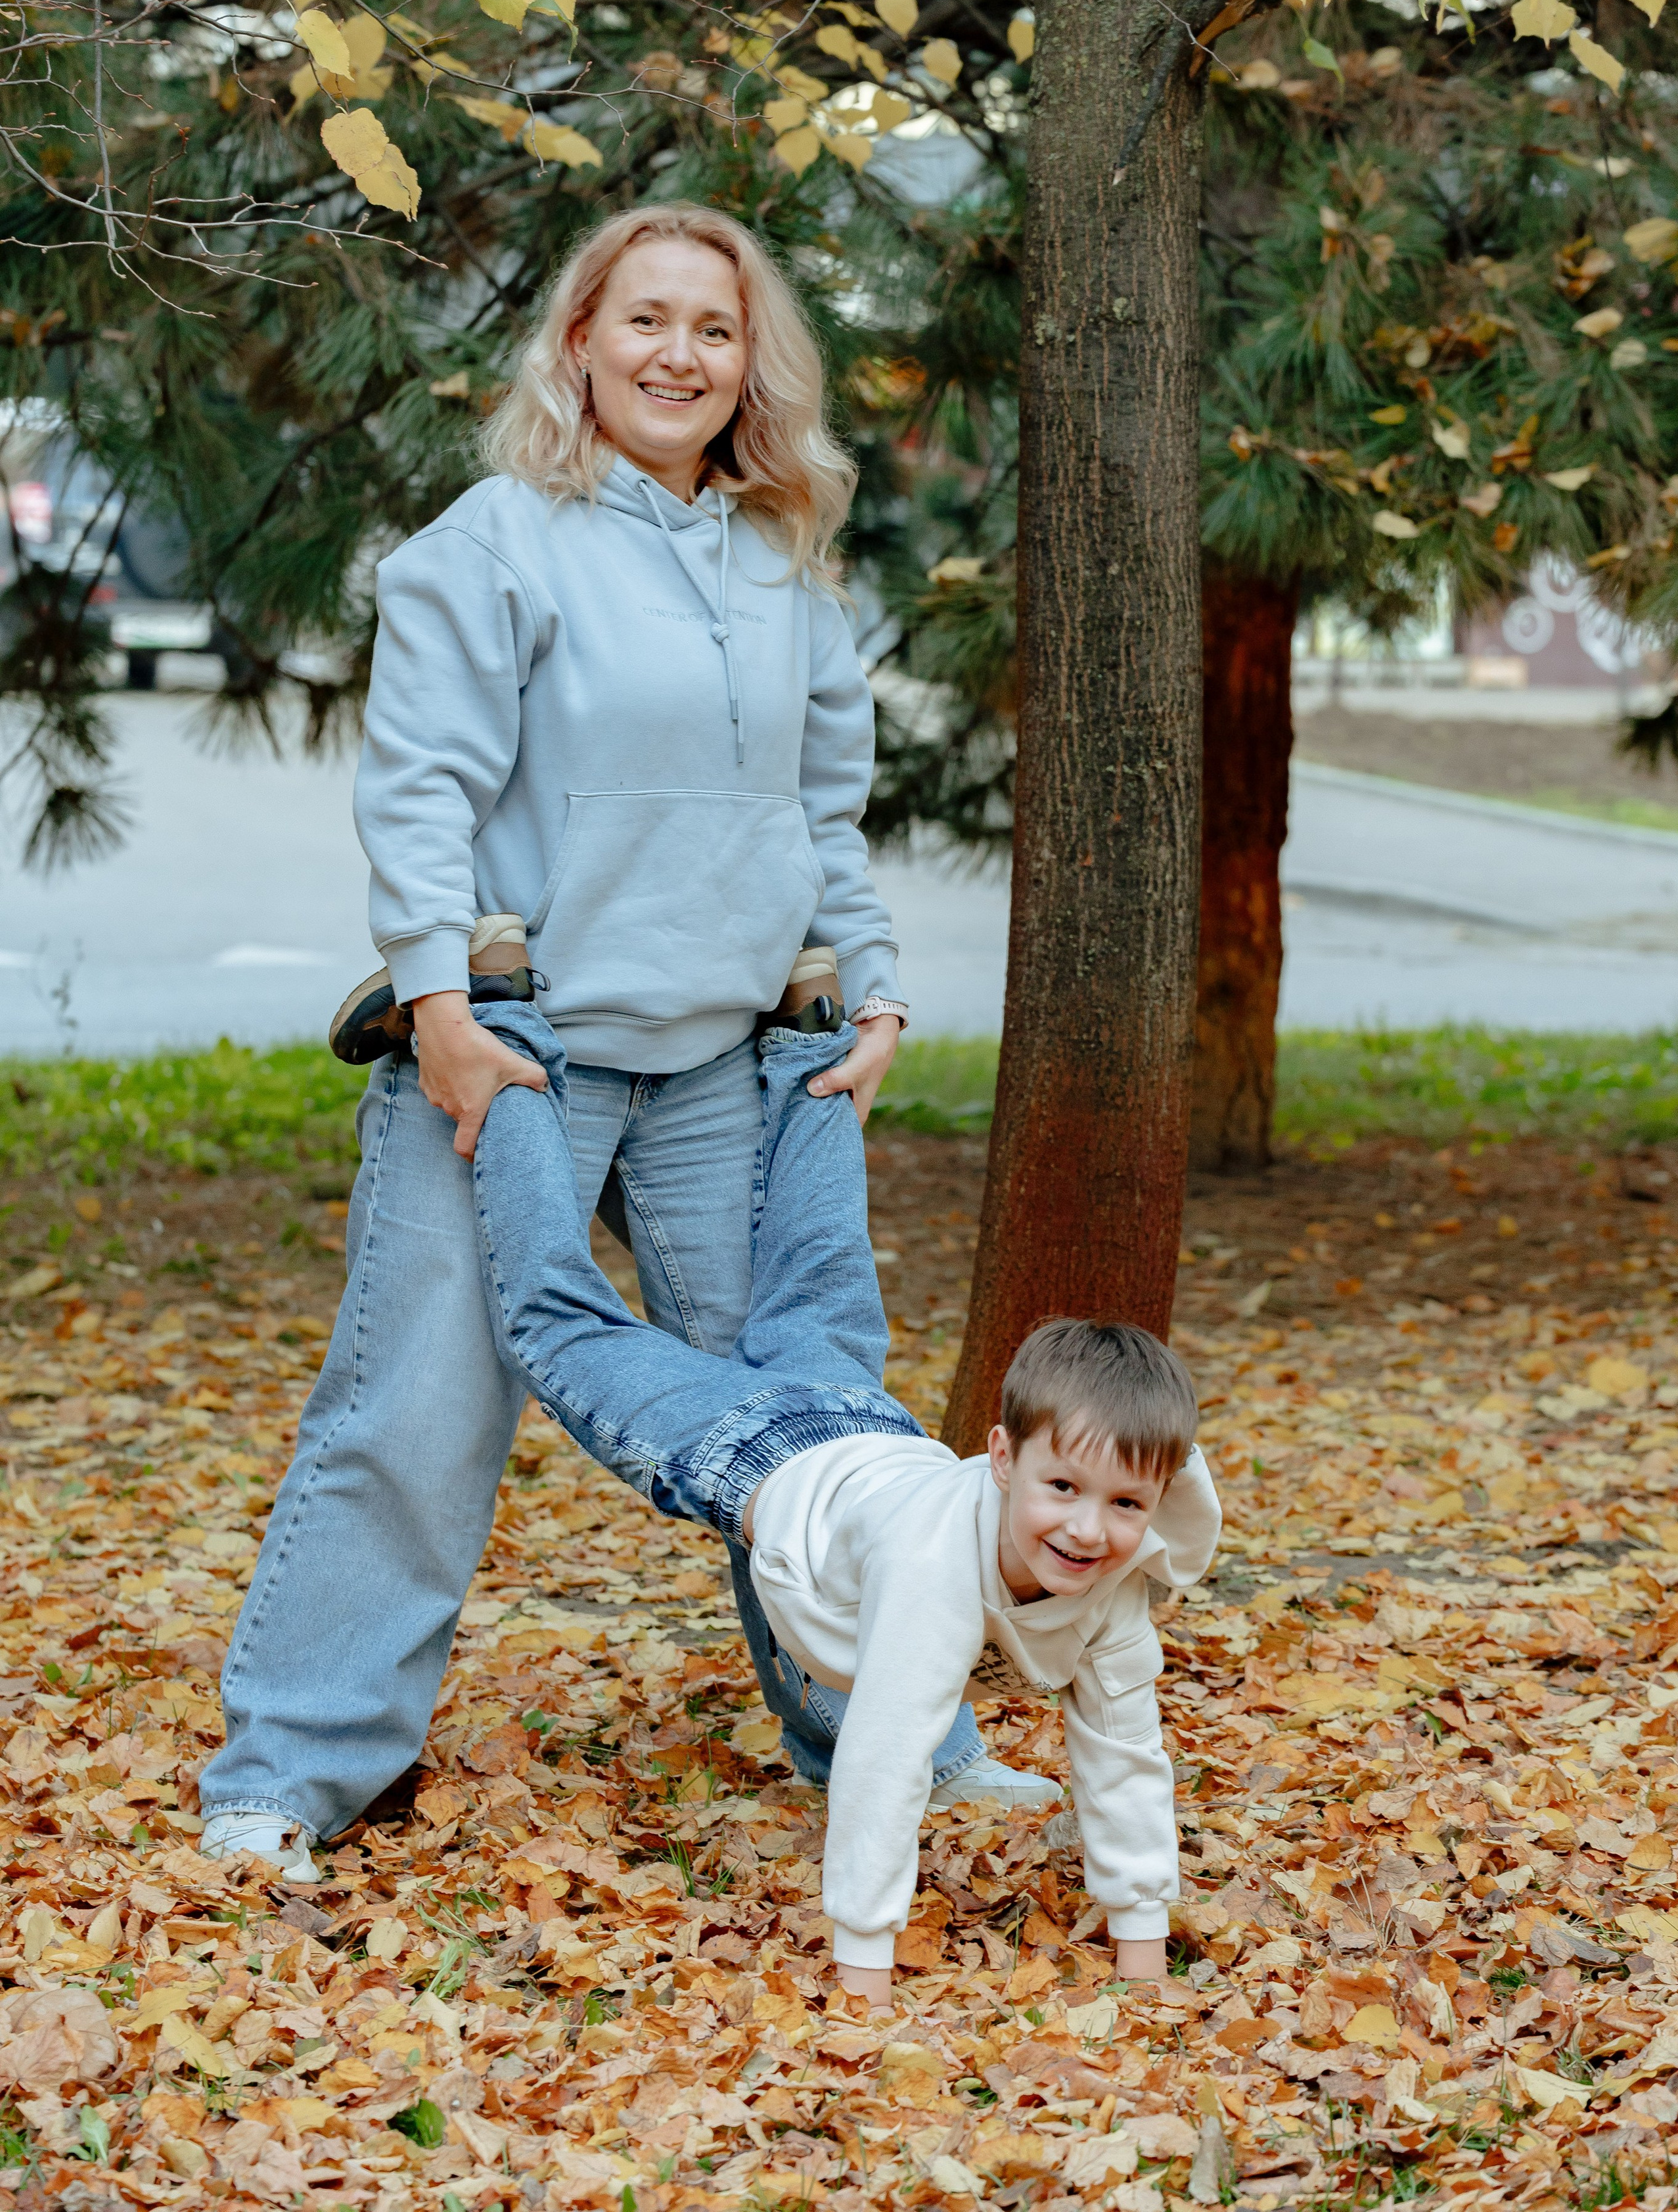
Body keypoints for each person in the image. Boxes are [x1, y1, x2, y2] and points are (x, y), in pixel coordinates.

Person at [197, 203, 1051, 1882]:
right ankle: (285, 1778)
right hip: (511, 1055)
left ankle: (899, 1748)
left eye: (713, 331)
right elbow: (421, 793)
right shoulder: (492, 541)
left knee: (809, 1417)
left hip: (725, 1063)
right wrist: (436, 1009)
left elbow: (824, 810)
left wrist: (869, 990)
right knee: (416, 1413)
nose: (678, 355)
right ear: (578, 340)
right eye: (644, 320)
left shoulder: (785, 565)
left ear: (751, 367)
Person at [461, 999, 1223, 2004]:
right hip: (753, 1455)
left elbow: (1126, 1761)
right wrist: (862, 1974)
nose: (1089, 1530)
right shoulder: (933, 1578)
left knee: (818, 1254)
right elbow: (885, 1762)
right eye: (1064, 1488)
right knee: (561, 1324)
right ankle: (505, 1040)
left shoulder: (1116, 1595)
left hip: (868, 1424)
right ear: (1000, 1459)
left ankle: (811, 1031)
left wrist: (1143, 1960)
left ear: (1161, 1499)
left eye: (1127, 1505)